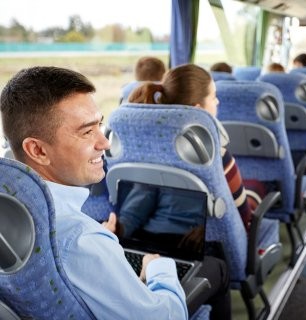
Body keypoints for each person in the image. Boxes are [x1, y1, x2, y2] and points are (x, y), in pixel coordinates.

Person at [0, 66, 188, 318]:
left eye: (100, 124)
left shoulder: (13, 214)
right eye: (87, 131)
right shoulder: (81, 240)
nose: (105, 142)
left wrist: (99, 242)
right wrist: (158, 268)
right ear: (38, 151)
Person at [128, 63, 264, 231]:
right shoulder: (215, 155)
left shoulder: (140, 149)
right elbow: (243, 218)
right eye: (214, 97)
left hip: (151, 236)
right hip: (214, 248)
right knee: (256, 187)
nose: (218, 101)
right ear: (198, 110)